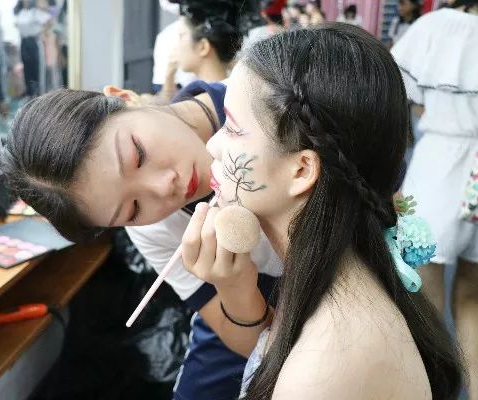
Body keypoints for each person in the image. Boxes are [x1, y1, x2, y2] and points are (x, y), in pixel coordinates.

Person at [181, 23, 463, 399]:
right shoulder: (332, 282)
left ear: (301, 170)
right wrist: (234, 288)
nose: (212, 146)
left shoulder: (326, 364)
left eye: (232, 128)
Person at [3, 78, 281, 399]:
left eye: (137, 155)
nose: (164, 186)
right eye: (133, 209)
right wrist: (235, 288)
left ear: (125, 98)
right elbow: (249, 342)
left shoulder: (265, 94)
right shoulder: (152, 228)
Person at [391, 1, 478, 397]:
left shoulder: (438, 25)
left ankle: (434, 390)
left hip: (438, 165)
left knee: (423, 298)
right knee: (473, 294)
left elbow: (404, 91)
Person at [173, 1, 243, 84]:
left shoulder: (201, 93)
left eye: (181, 36)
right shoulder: (237, 88)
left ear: (203, 47)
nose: (176, 46)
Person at [14, 0, 52, 97]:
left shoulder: (35, 12)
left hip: (34, 42)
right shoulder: (21, 12)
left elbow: (49, 20)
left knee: (37, 72)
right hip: (24, 43)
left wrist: (41, 31)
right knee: (27, 71)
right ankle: (30, 95)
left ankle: (39, 96)